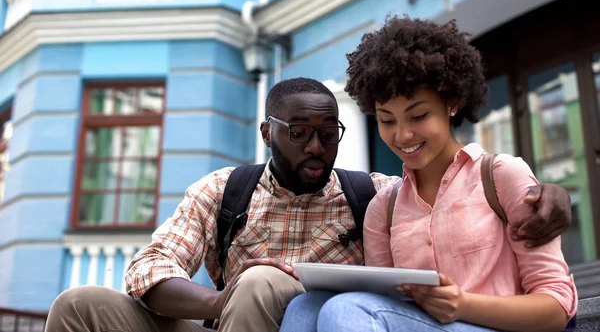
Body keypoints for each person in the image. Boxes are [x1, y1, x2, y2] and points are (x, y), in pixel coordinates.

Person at [45, 77, 572, 332]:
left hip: (302, 324)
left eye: (328, 132)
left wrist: (553, 192)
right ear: (266, 133)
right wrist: (215, 304)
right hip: (219, 322)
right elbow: (149, 268)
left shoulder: (372, 194)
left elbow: (455, 187)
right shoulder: (224, 189)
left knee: (264, 282)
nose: (316, 147)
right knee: (78, 304)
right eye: (298, 133)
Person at [280, 17, 578, 332]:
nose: (403, 135)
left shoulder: (501, 175)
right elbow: (384, 303)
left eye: (418, 115)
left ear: (452, 104)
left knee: (346, 308)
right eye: (387, 120)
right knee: (305, 305)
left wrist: (463, 304)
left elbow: (556, 306)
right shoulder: (384, 208)